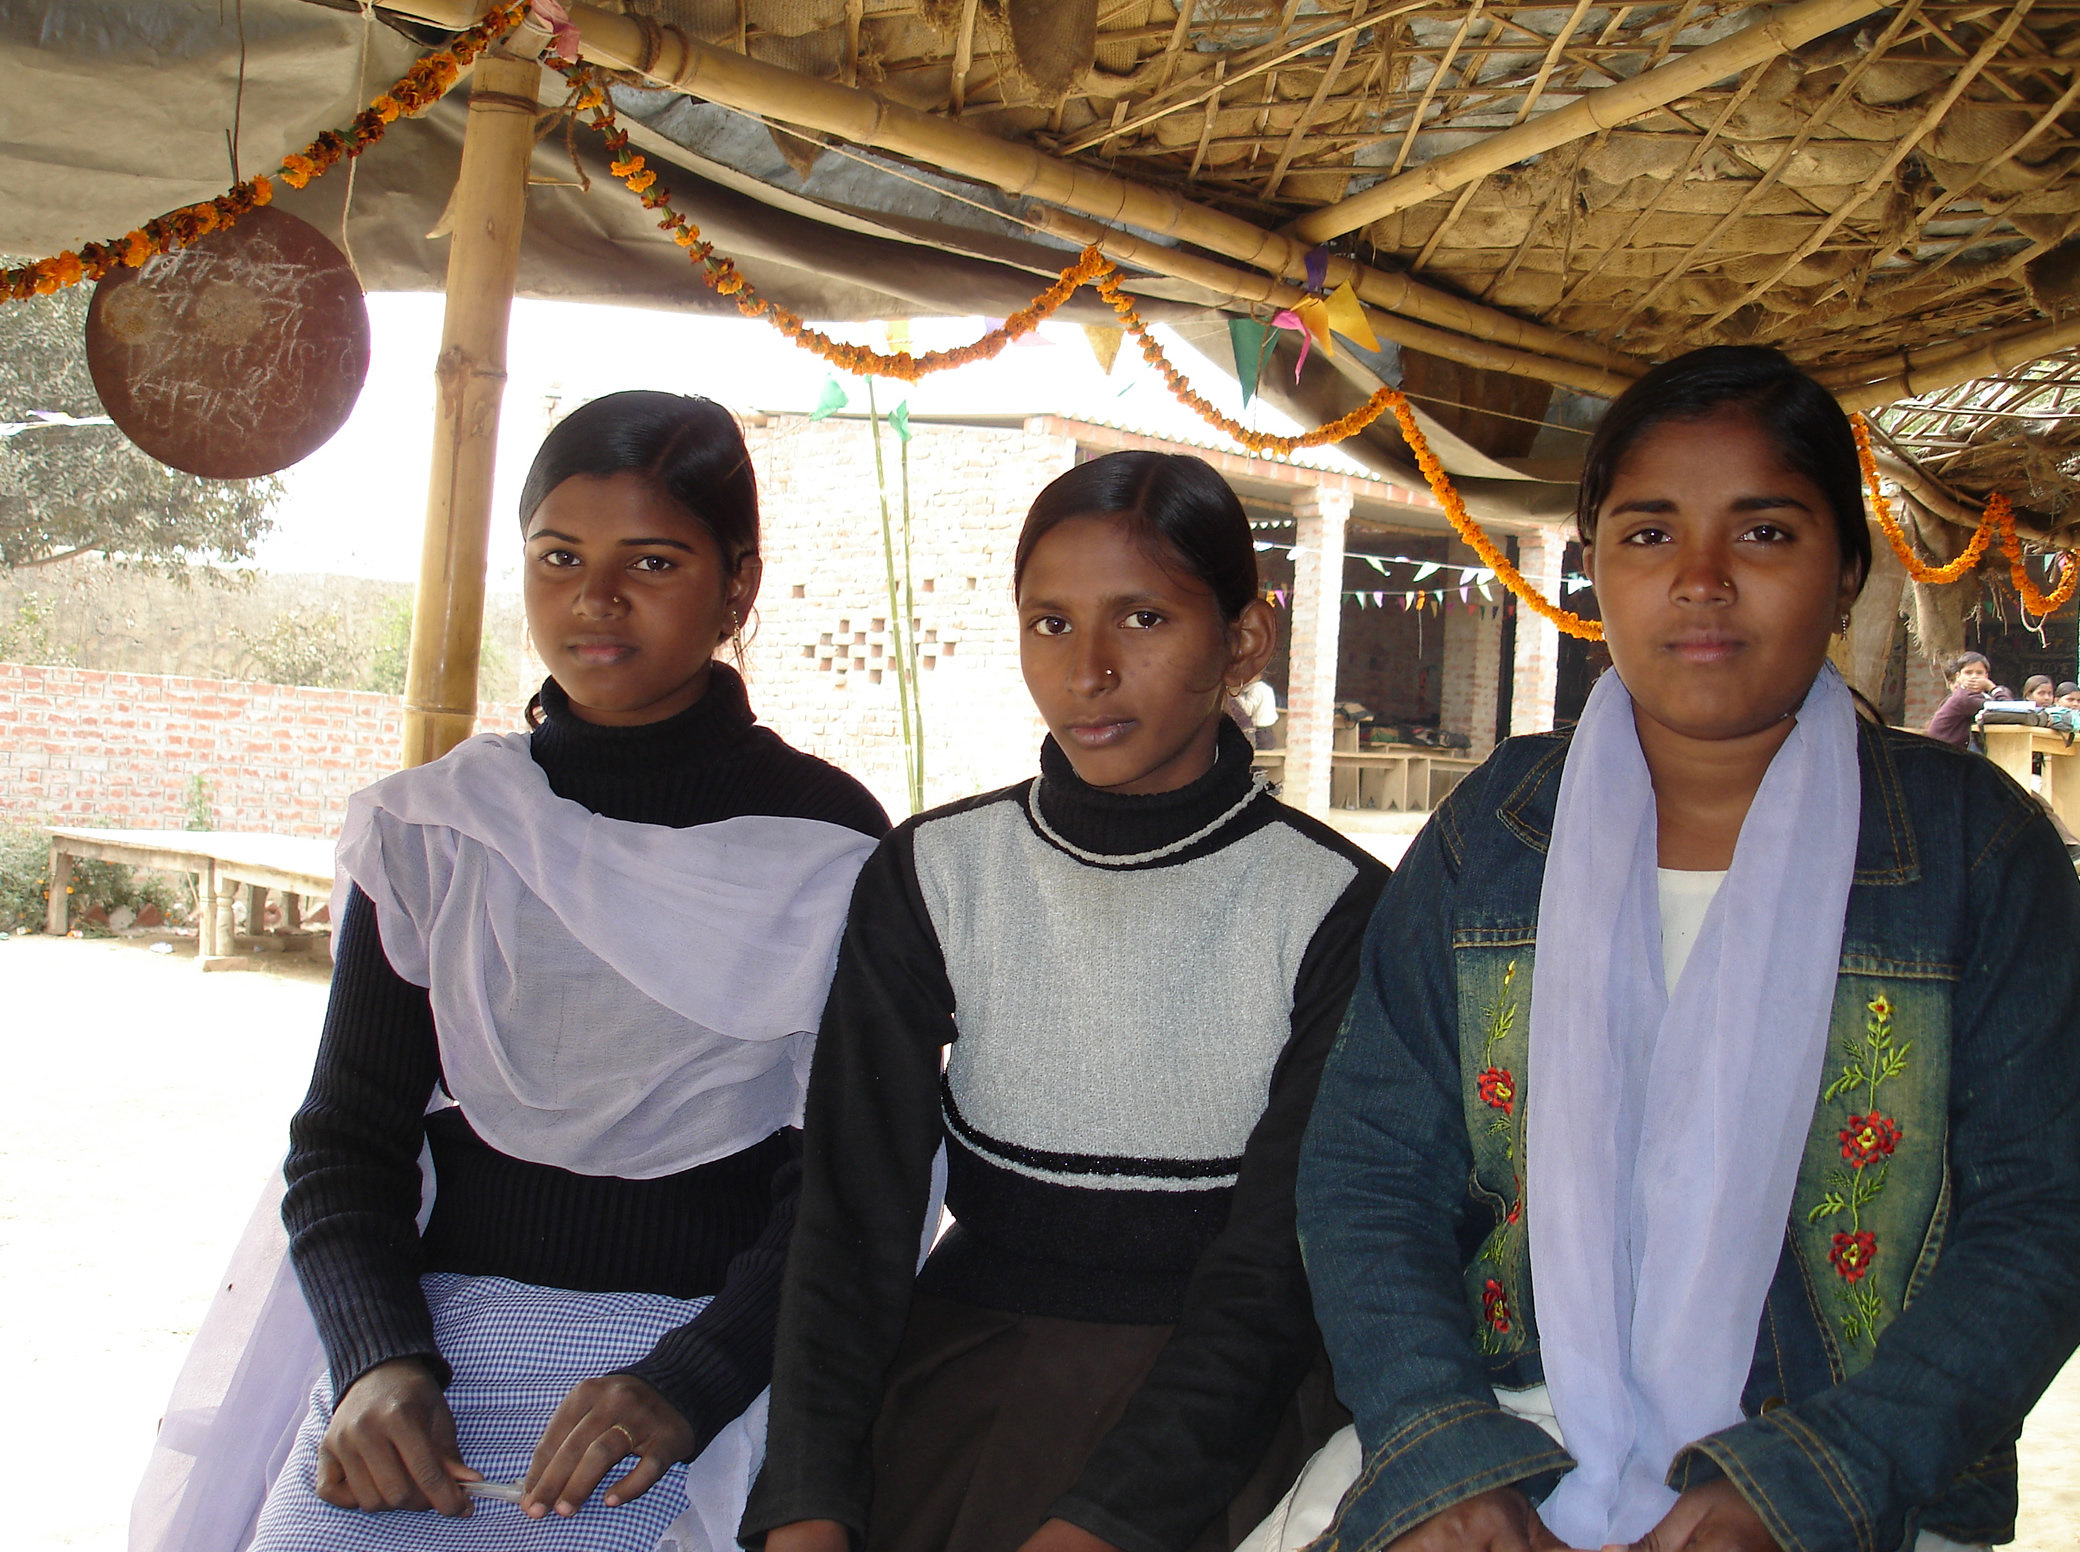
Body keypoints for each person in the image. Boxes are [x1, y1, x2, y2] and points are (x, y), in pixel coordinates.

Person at [1276, 346, 2080, 1552]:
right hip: (1505, 1435)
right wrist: (1439, 1447)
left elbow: (2043, 1214)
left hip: (1854, 1471)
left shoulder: (1973, 854)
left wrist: (1818, 1478)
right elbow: (1369, 1175)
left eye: (1762, 535)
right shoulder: (1492, 838)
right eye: (1648, 536)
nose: (1699, 582)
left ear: (1847, 569)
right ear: (1593, 565)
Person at [250, 391, 889, 1550]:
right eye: (559, 556)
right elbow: (346, 1139)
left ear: (735, 585)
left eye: (652, 558)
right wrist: (375, 1361)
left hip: (712, 1360)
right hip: (438, 1360)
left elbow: (848, 1179)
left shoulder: (827, 842)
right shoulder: (443, 828)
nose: (595, 598)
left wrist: (689, 1380)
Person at [744, 451, 1389, 1552]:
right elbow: (851, 1214)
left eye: (1142, 617)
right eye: (1048, 623)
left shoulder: (1334, 906)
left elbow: (1270, 1270)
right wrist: (806, 1495)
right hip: (965, 1370)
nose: (1087, 670)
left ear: (1241, 639)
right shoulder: (935, 875)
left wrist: (1104, 1525)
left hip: (1224, 1413)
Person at [1924, 650, 2002, 747]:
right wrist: (1991, 687)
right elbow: (2006, 709)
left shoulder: (1971, 695)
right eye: (1968, 673)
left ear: (1986, 676)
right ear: (1958, 677)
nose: (1974, 677)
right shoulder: (1965, 698)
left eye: (1979, 673)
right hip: (1944, 752)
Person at [1228, 676, 1280, 748]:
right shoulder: (1266, 688)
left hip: (1260, 729)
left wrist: (1236, 697)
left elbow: (1248, 710)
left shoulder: (1256, 690)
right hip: (1269, 729)